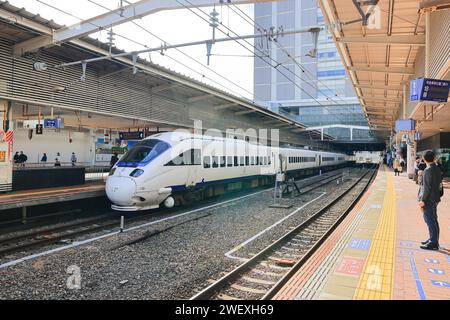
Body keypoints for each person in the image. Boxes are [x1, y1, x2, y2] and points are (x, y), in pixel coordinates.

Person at [418, 150, 443, 250]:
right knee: (433, 220)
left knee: (430, 220)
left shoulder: (428, 170)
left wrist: (422, 200)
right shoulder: (436, 168)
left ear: (424, 159)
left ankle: (433, 242)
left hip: (429, 199)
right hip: (435, 197)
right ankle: (433, 239)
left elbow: (427, 187)